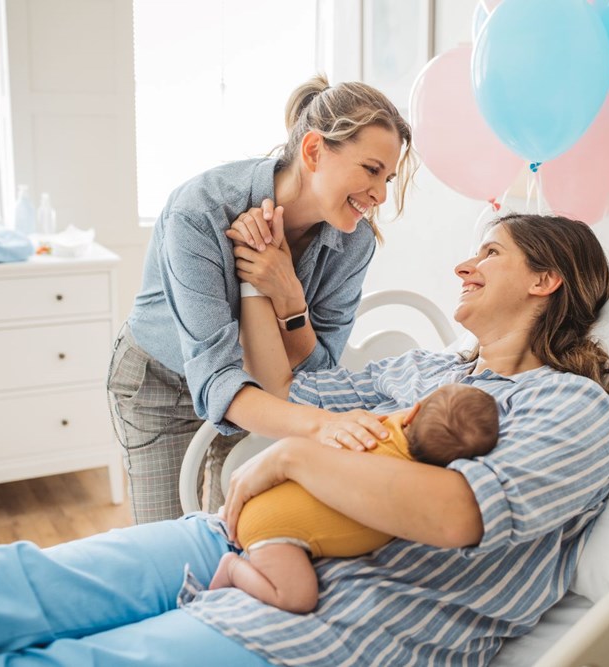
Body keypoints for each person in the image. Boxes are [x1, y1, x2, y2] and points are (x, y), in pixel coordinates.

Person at [0, 214, 609, 666]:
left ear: (545, 279)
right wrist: (269, 285)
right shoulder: (428, 368)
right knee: (8, 583)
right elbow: (284, 392)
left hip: (332, 621)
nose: (464, 262)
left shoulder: (571, 407)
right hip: (241, 537)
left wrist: (293, 456)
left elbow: (457, 513)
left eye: (490, 251)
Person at [109, 73, 416, 521]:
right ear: (314, 151)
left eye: (388, 177)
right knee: (169, 538)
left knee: (233, 535)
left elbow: (318, 375)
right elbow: (217, 380)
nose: (381, 194)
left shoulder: (355, 243)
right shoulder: (199, 212)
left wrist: (289, 293)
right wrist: (325, 425)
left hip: (260, 392)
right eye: (371, 170)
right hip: (161, 385)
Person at [208, 383, 500, 613]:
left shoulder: (382, 428)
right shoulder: (411, 478)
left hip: (265, 501)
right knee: (297, 598)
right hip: (272, 530)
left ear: (412, 413)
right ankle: (233, 569)